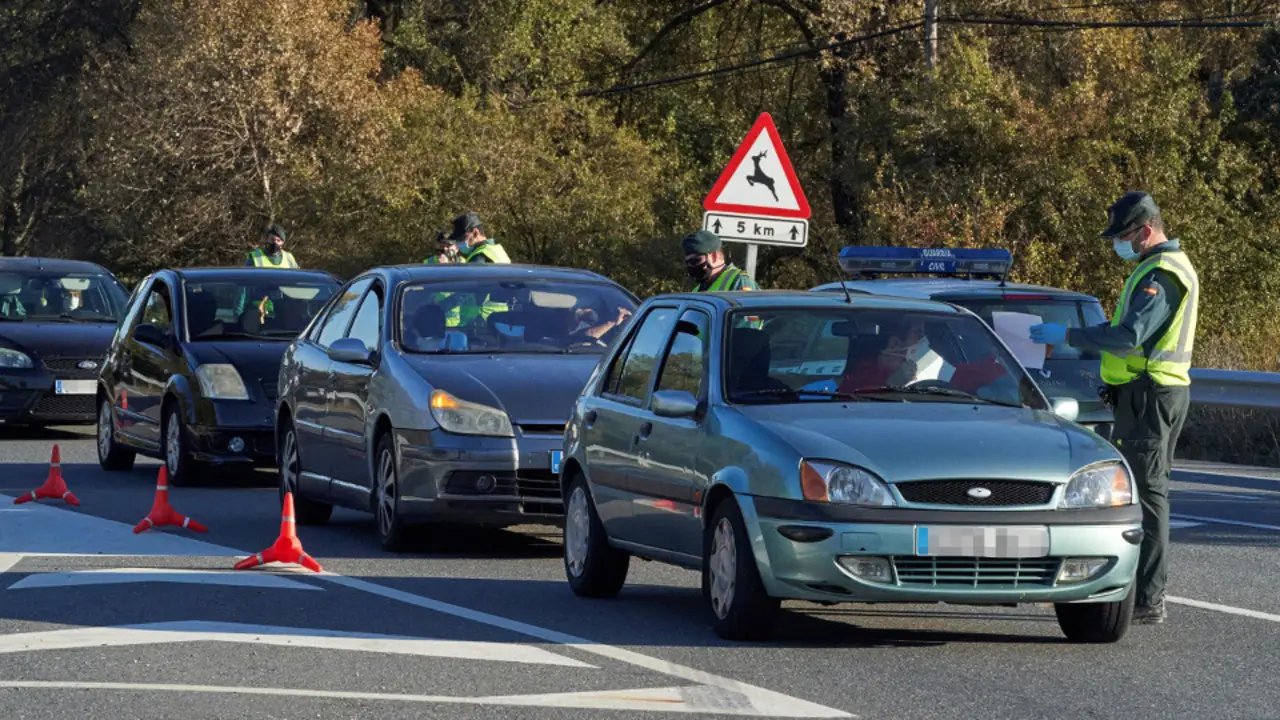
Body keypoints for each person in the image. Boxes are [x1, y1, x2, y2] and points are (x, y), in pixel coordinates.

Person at [1029, 191, 1199, 626]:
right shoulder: (1152, 268)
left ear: (1146, 230)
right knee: (1144, 490)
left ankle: (1148, 597)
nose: (1118, 244)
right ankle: (1141, 593)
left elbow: (1129, 336)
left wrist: (1071, 336)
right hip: (1146, 395)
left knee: (1148, 494)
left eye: (1124, 235)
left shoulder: (1162, 272)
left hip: (1150, 396)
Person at [836, 317, 1005, 394]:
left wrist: (1007, 357)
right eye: (918, 334)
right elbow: (854, 412)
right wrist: (891, 385)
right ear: (895, 344)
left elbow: (971, 375)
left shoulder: (932, 368)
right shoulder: (859, 379)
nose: (925, 341)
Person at [681, 230, 759, 292]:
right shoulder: (697, 291)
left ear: (714, 256)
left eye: (695, 261)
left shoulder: (739, 282)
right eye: (687, 263)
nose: (691, 266)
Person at [447, 212, 511, 263]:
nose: (459, 242)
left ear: (475, 233)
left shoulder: (479, 257)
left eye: (462, 238)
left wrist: (448, 267)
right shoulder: (496, 248)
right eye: (457, 240)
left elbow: (468, 278)